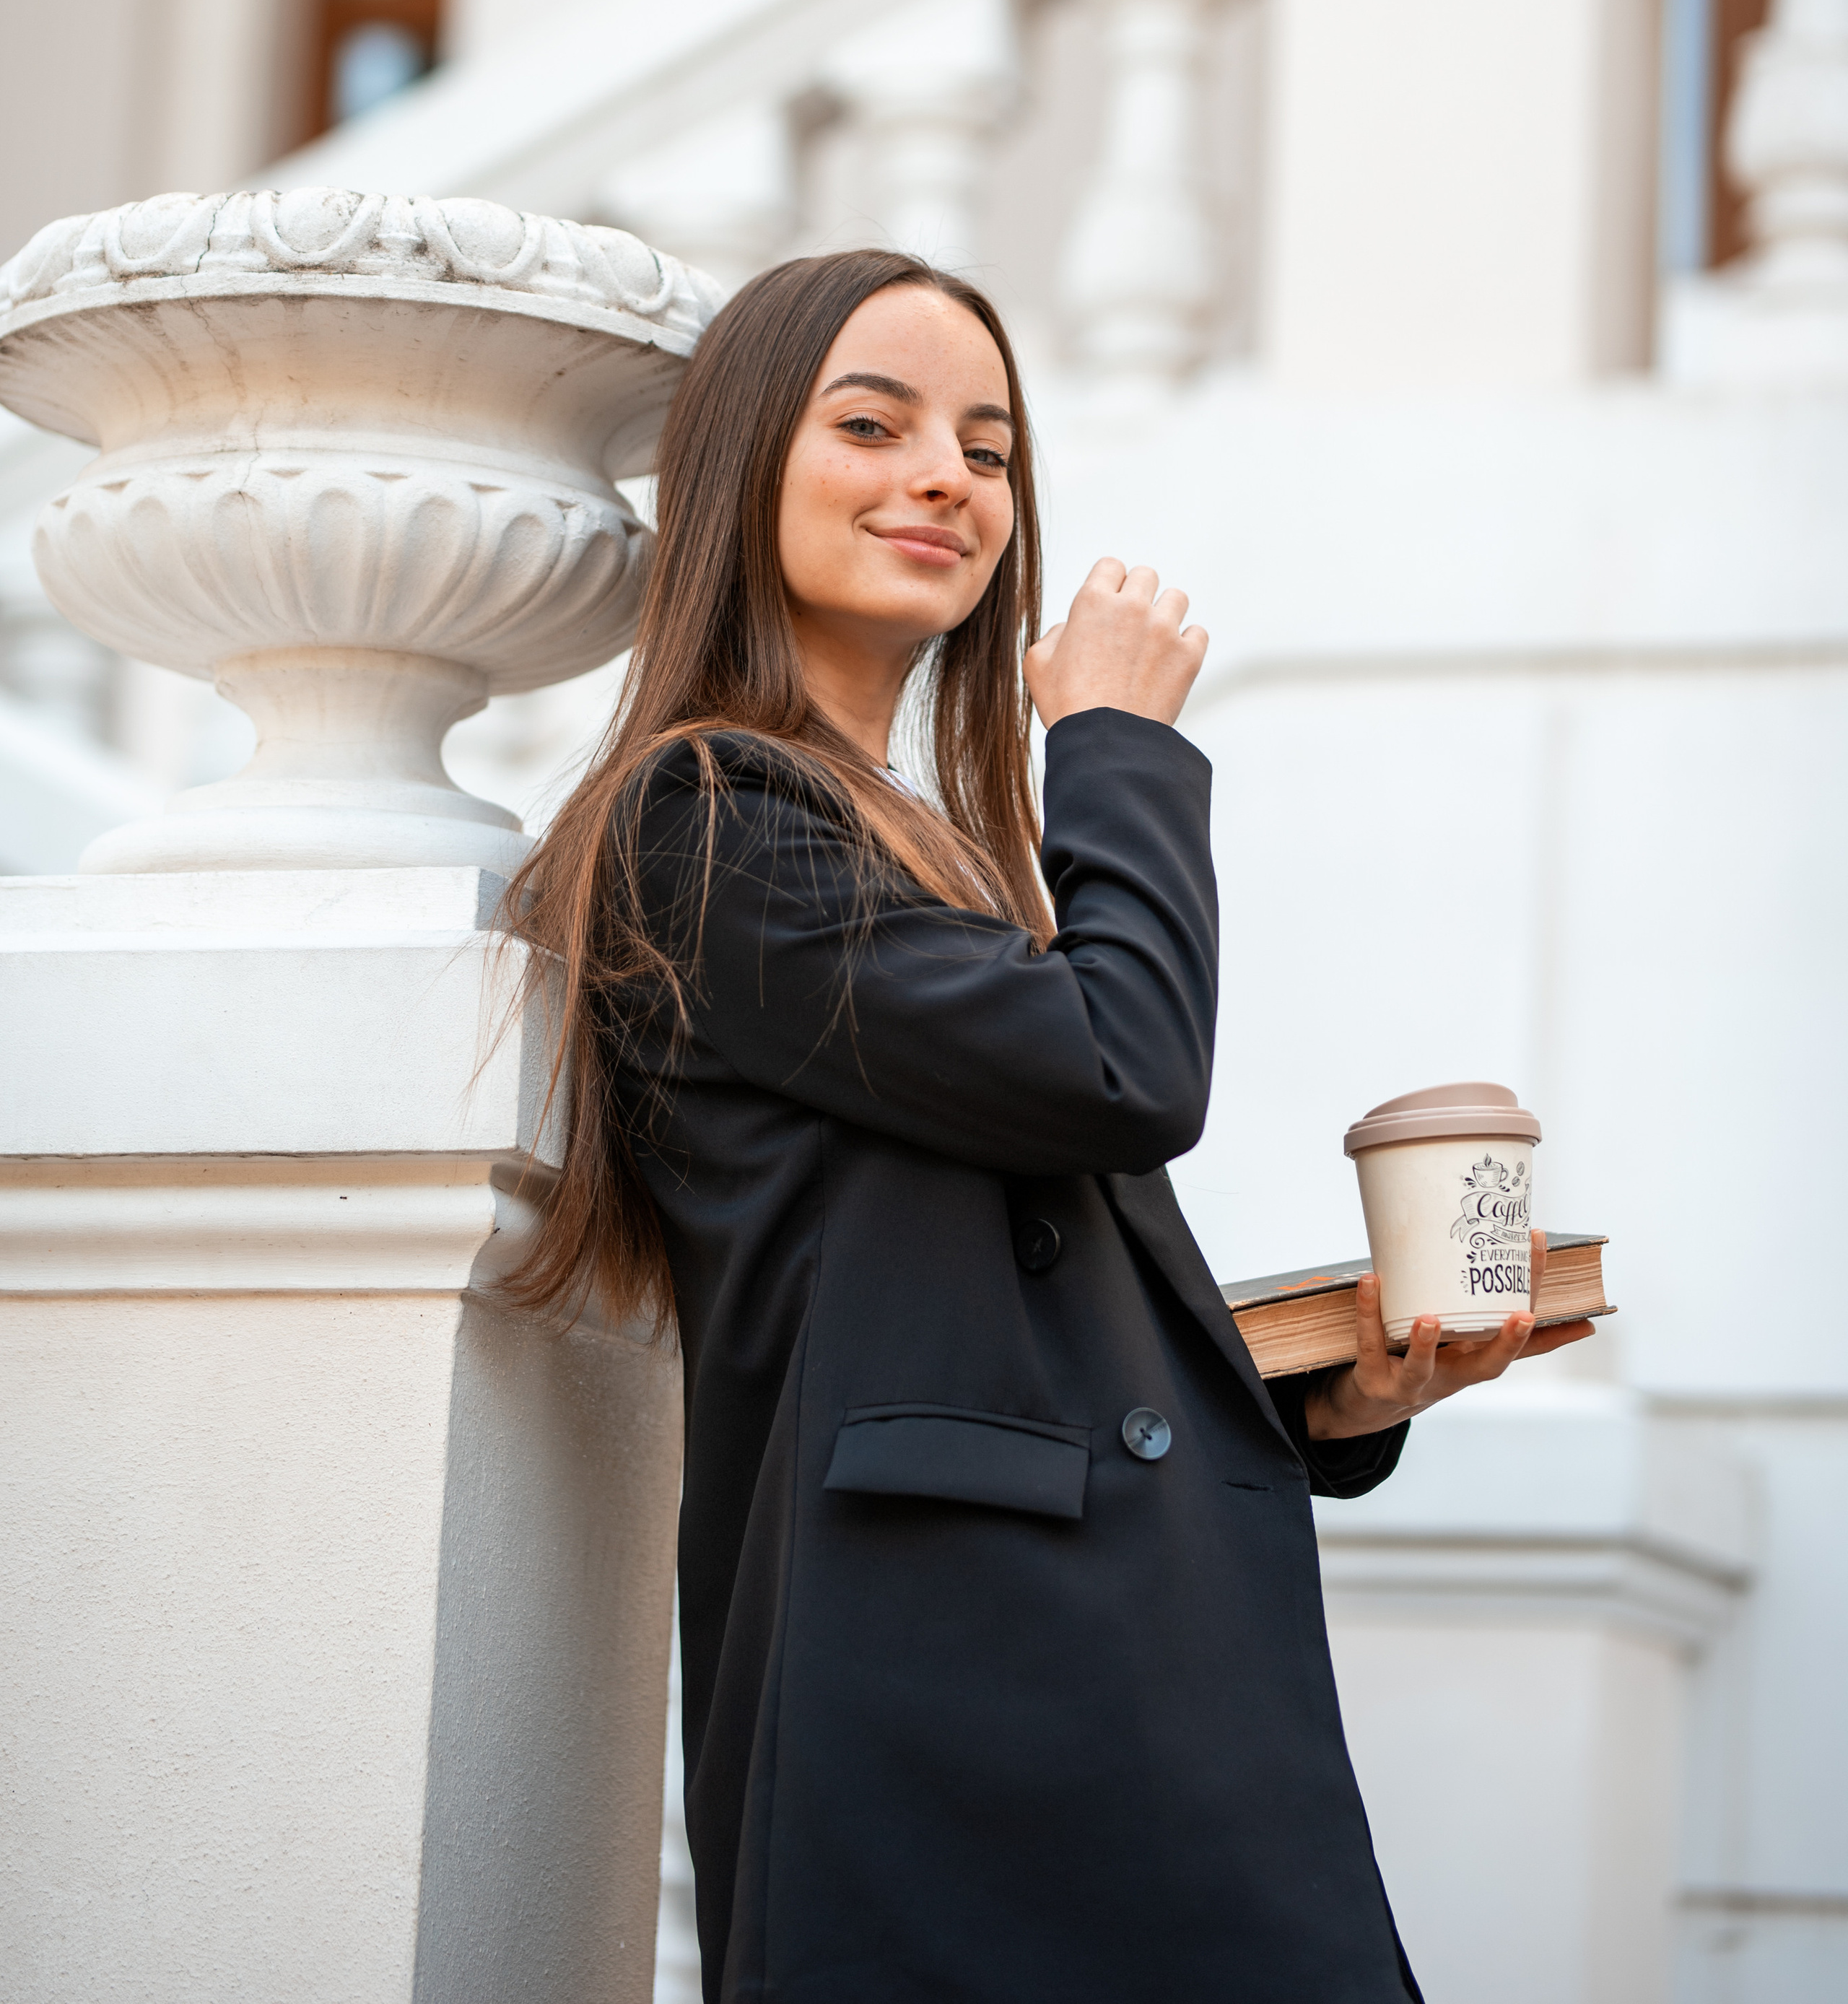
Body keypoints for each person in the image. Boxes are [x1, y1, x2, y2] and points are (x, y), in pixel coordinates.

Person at [504, 248, 1591, 2004]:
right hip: (950, 1703)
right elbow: (1124, 1067)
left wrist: (1332, 1396)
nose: (947, 475)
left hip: (1081, 1671)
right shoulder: (704, 816)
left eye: (989, 447)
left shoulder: (902, 842)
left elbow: (986, 1294)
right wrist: (1111, 744)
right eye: (872, 423)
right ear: (737, 469)